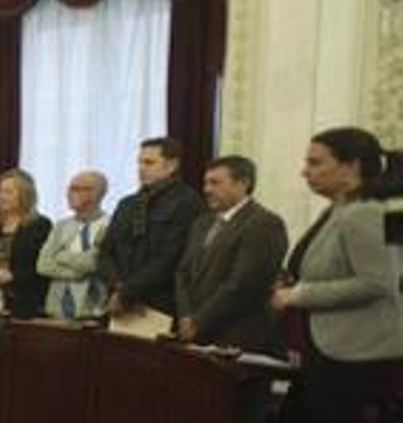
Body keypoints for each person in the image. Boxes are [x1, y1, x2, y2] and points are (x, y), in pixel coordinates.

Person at [262, 128, 403, 423]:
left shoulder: (366, 213)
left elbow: (377, 284)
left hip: (355, 349)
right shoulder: (340, 209)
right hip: (325, 343)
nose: (305, 171)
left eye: (316, 162)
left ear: (352, 167)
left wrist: (297, 295)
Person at [174, 156, 287, 351]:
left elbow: (242, 284)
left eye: (215, 183)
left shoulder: (264, 223)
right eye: (205, 183)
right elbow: (182, 272)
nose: (207, 189)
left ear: (242, 184)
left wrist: (199, 321)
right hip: (194, 333)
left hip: (238, 336)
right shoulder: (201, 223)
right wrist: (185, 316)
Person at [97, 136, 205, 319]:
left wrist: (127, 292)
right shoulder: (127, 203)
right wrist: (117, 287)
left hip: (159, 302)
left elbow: (171, 258)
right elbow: (106, 251)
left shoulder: (187, 202)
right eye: (139, 162)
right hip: (118, 300)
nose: (141, 168)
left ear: (171, 166)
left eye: (149, 163)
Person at [36, 170, 111, 319]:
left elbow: (92, 264)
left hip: (92, 310)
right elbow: (42, 265)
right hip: (56, 309)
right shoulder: (61, 226)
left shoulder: (110, 226)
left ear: (96, 193)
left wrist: (61, 256)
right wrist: (77, 273)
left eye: (77, 189)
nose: (69, 194)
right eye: (70, 188)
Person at [0, 168, 51, 318]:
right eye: (0, 191)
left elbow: (45, 267)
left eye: (8, 192)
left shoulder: (40, 225)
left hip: (27, 304)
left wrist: (13, 276)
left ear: (25, 195)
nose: (1, 197)